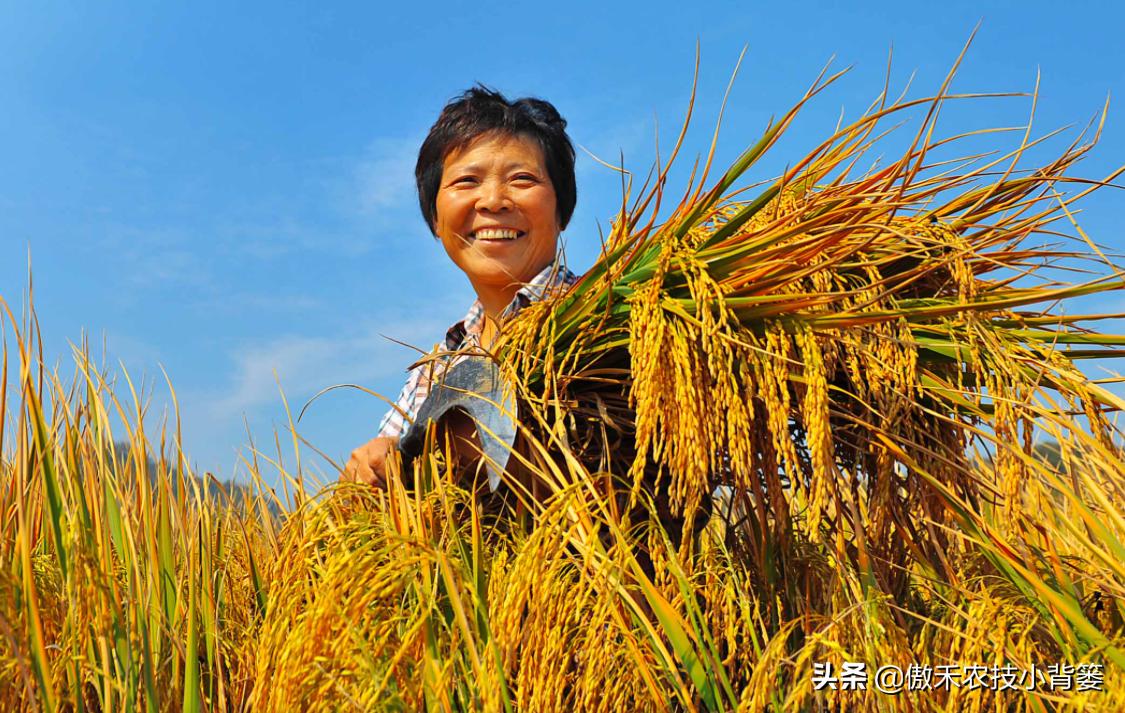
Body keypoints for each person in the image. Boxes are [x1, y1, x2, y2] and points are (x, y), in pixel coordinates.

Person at [343, 85, 578, 489]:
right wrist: (371, 471)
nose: (493, 201)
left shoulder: (612, 321)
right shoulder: (432, 374)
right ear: (436, 219)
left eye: (522, 179)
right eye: (466, 181)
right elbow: (382, 488)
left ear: (562, 210)